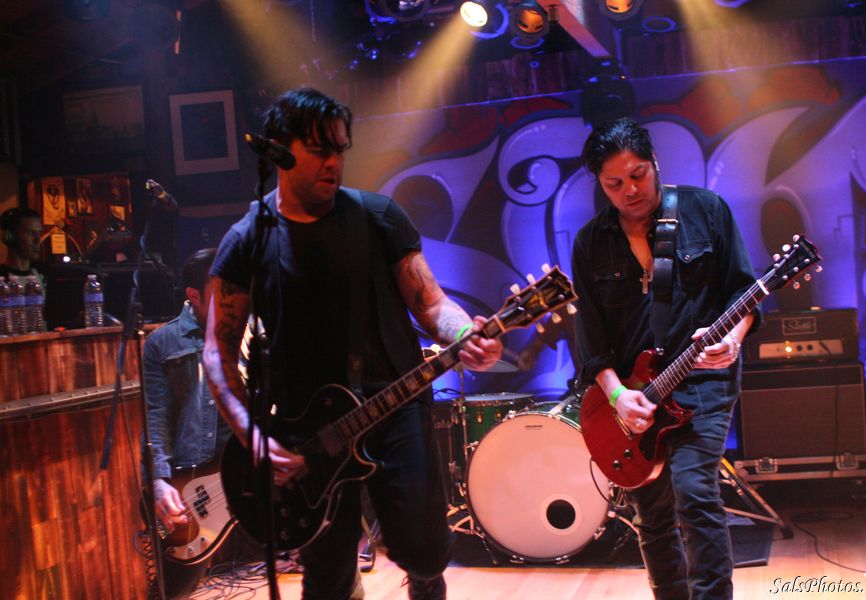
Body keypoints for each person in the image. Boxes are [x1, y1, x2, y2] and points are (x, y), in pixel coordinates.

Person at [202, 87, 503, 600]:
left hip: (395, 405)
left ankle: (425, 580)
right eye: (321, 149)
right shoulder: (249, 239)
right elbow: (217, 351)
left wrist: (464, 335)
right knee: (327, 580)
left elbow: (431, 304)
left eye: (340, 149)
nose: (334, 163)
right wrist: (252, 436)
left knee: (425, 550)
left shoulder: (377, 218)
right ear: (281, 150)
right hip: (307, 429)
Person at [572, 118, 758, 600]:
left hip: (703, 382)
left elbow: (744, 294)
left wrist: (733, 339)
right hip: (636, 396)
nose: (630, 190)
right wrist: (618, 395)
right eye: (614, 183)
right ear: (600, 184)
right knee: (652, 516)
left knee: (695, 494)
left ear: (655, 164)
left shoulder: (705, 210)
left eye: (638, 175)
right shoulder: (591, 242)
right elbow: (590, 338)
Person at [142, 247, 235, 598]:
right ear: (193, 296)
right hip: (197, 485)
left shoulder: (253, 333)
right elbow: (155, 416)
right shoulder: (162, 343)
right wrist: (159, 480)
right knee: (175, 589)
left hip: (249, 474)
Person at [0, 207, 45, 286]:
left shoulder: (44, 274)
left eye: (39, 233)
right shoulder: (2, 278)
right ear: (10, 236)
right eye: (30, 233)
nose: (38, 240)